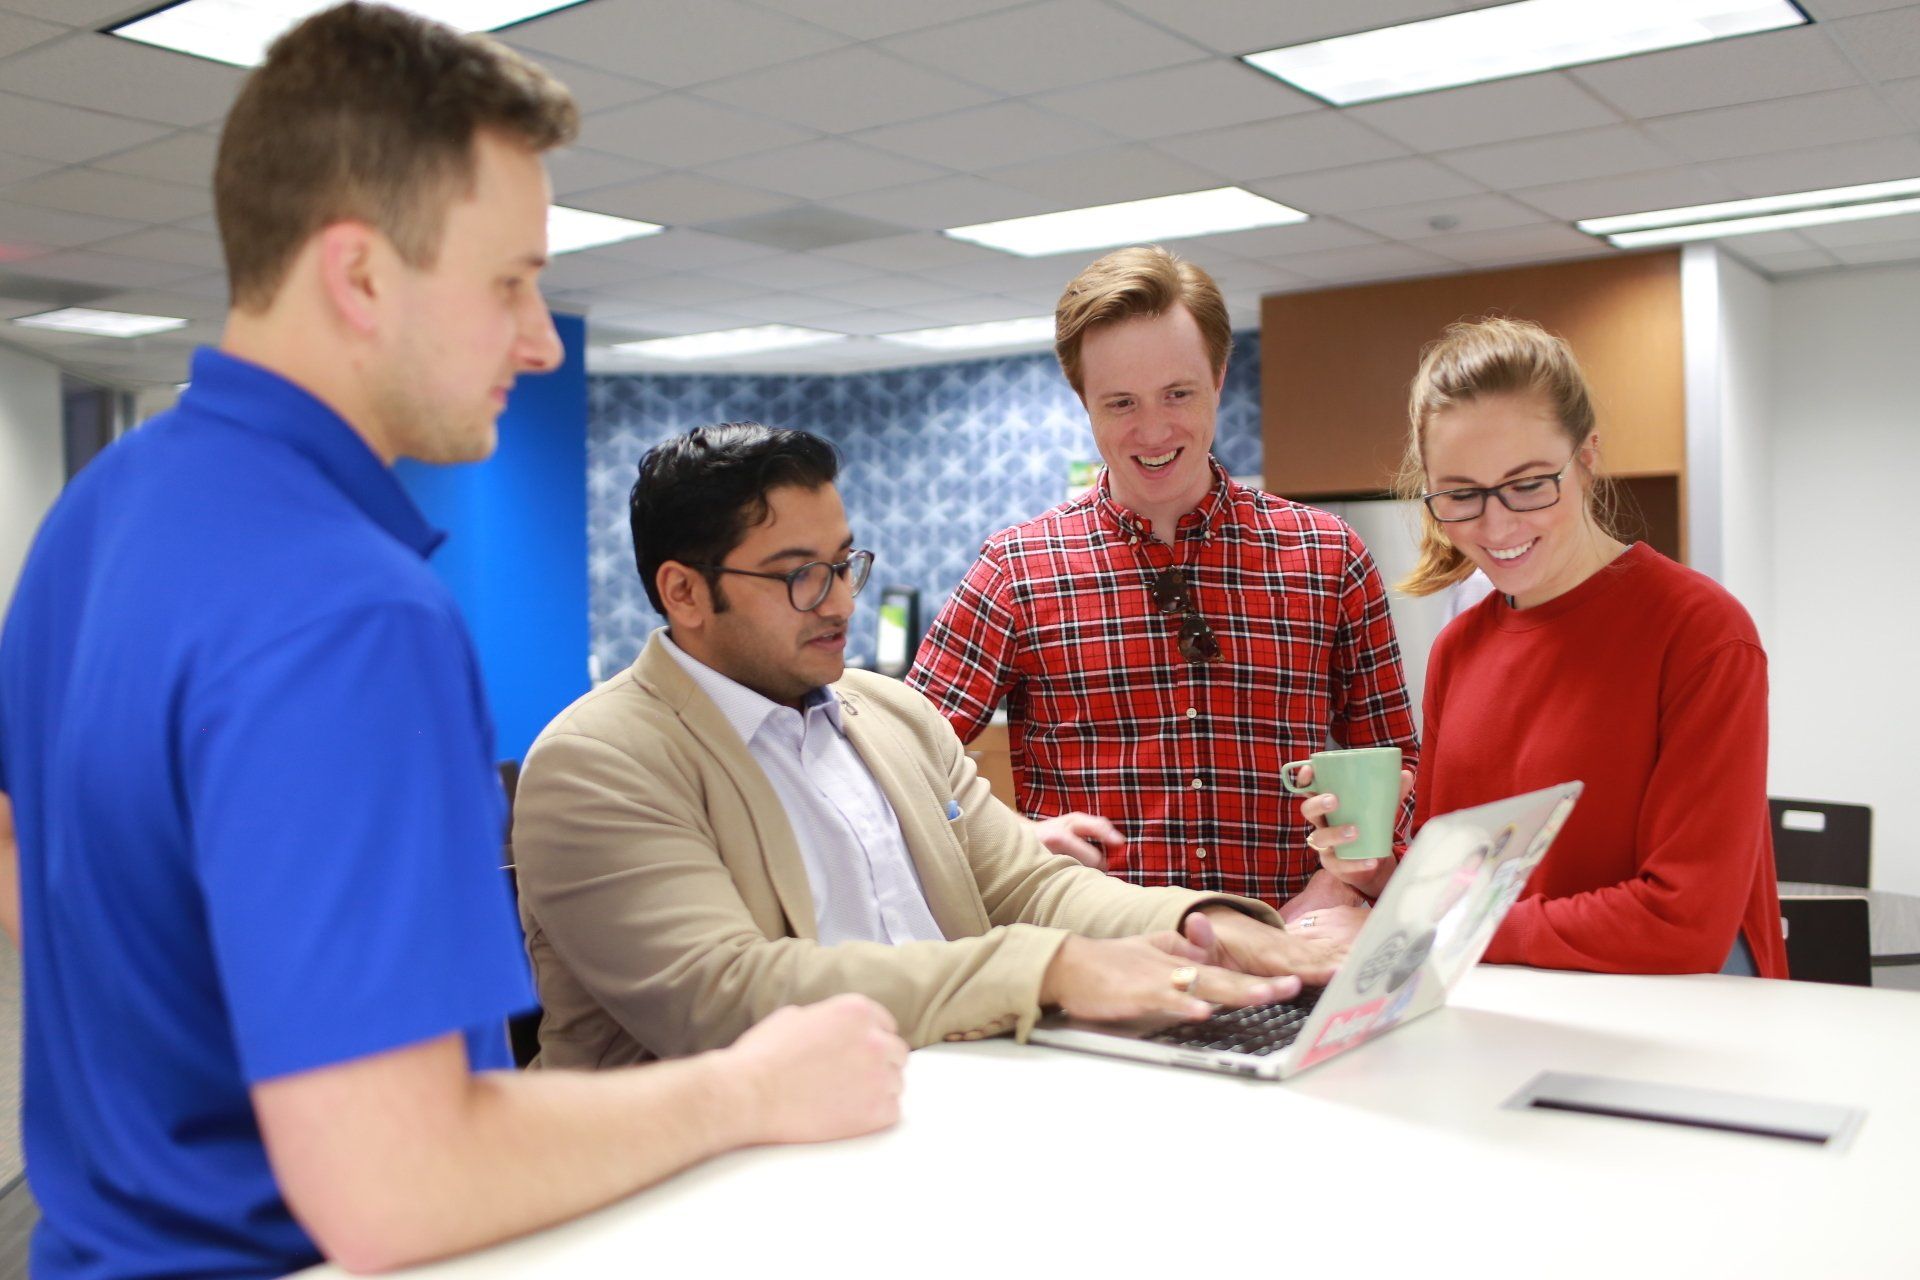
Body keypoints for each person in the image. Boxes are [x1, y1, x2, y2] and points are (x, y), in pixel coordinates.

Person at [0, 8, 905, 1278]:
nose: (540, 339)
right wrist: (752, 1086)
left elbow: (22, 853)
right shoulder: (347, 608)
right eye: (509, 282)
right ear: (359, 274)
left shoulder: (97, 510)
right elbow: (398, 1185)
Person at [510, 422, 1350, 1065]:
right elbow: (726, 999)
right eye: (799, 574)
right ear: (684, 592)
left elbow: (1025, 883)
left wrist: (1196, 921)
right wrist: (1043, 972)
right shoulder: (600, 763)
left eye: (845, 563)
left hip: (934, 1108)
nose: (839, 601)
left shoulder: (889, 714)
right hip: (702, 1180)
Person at [907, 245, 1419, 915]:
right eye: (1120, 402)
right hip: (1097, 963)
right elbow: (898, 765)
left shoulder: (1327, 554)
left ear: (1220, 376)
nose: (1152, 430)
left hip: (1290, 949)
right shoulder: (1018, 569)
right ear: (1081, 399)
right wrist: (1017, 841)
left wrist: (1346, 881)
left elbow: (1398, 761)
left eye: (1179, 393)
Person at [1308, 317, 1786, 978]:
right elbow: (1457, 882)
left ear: (1586, 458)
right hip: (1511, 1021)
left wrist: (1435, 923)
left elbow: (1683, 925)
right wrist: (1380, 874)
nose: (1497, 523)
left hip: (1676, 1040)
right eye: (1461, 494)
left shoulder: (1701, 632)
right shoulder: (1458, 649)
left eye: (1529, 483)